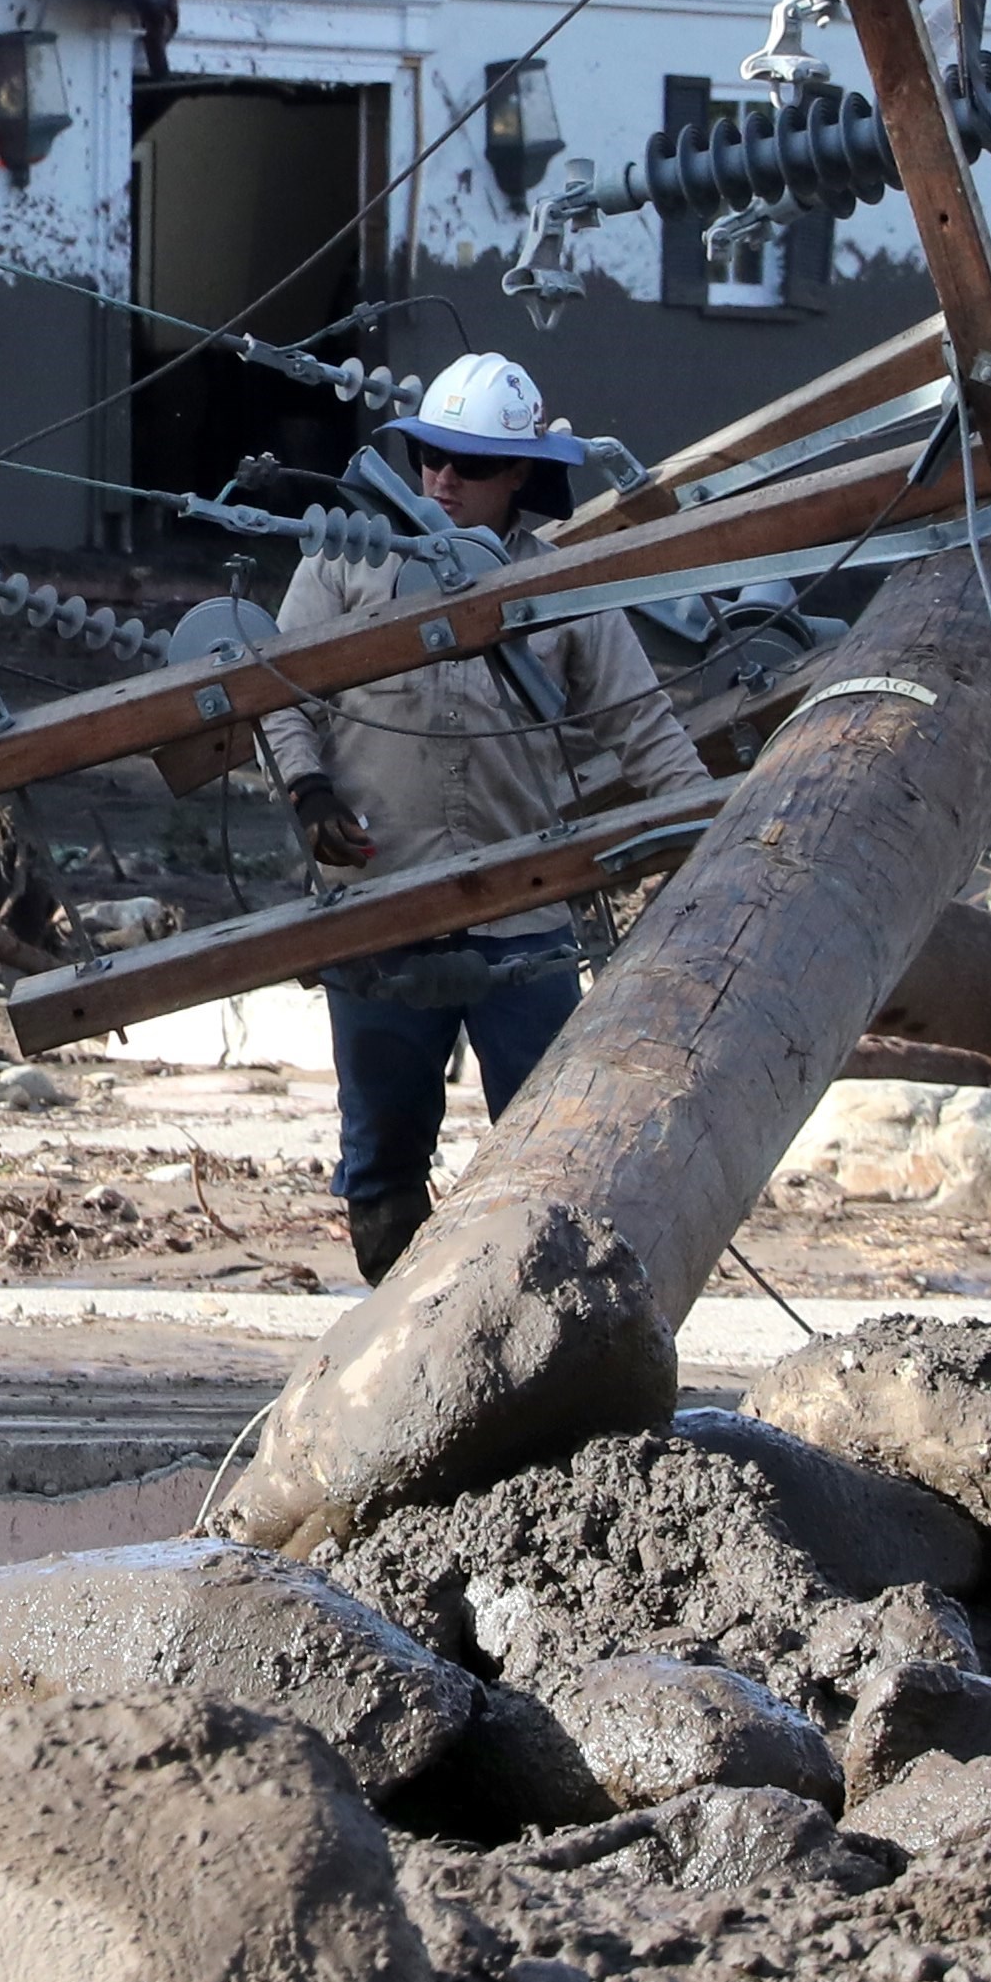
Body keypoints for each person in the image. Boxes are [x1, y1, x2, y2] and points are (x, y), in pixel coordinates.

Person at [259, 352, 711, 1284]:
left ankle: (545, 1339)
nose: (443, 480)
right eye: (431, 458)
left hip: (525, 918)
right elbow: (274, 689)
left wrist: (712, 853)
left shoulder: (567, 589)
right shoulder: (346, 561)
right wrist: (307, 790)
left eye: (469, 466)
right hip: (376, 903)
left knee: (554, 1148)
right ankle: (402, 1334)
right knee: (382, 1155)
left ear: (520, 480)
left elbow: (645, 732)